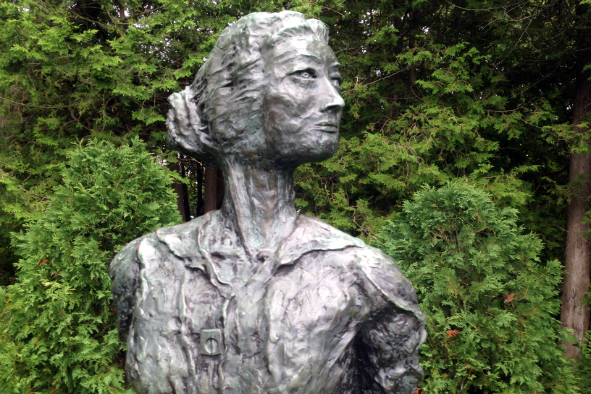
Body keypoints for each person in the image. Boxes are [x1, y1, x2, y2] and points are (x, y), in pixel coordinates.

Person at [110, 11, 426, 394]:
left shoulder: (363, 277)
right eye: (305, 75)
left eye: (335, 78)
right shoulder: (145, 265)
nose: (336, 100)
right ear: (236, 96)